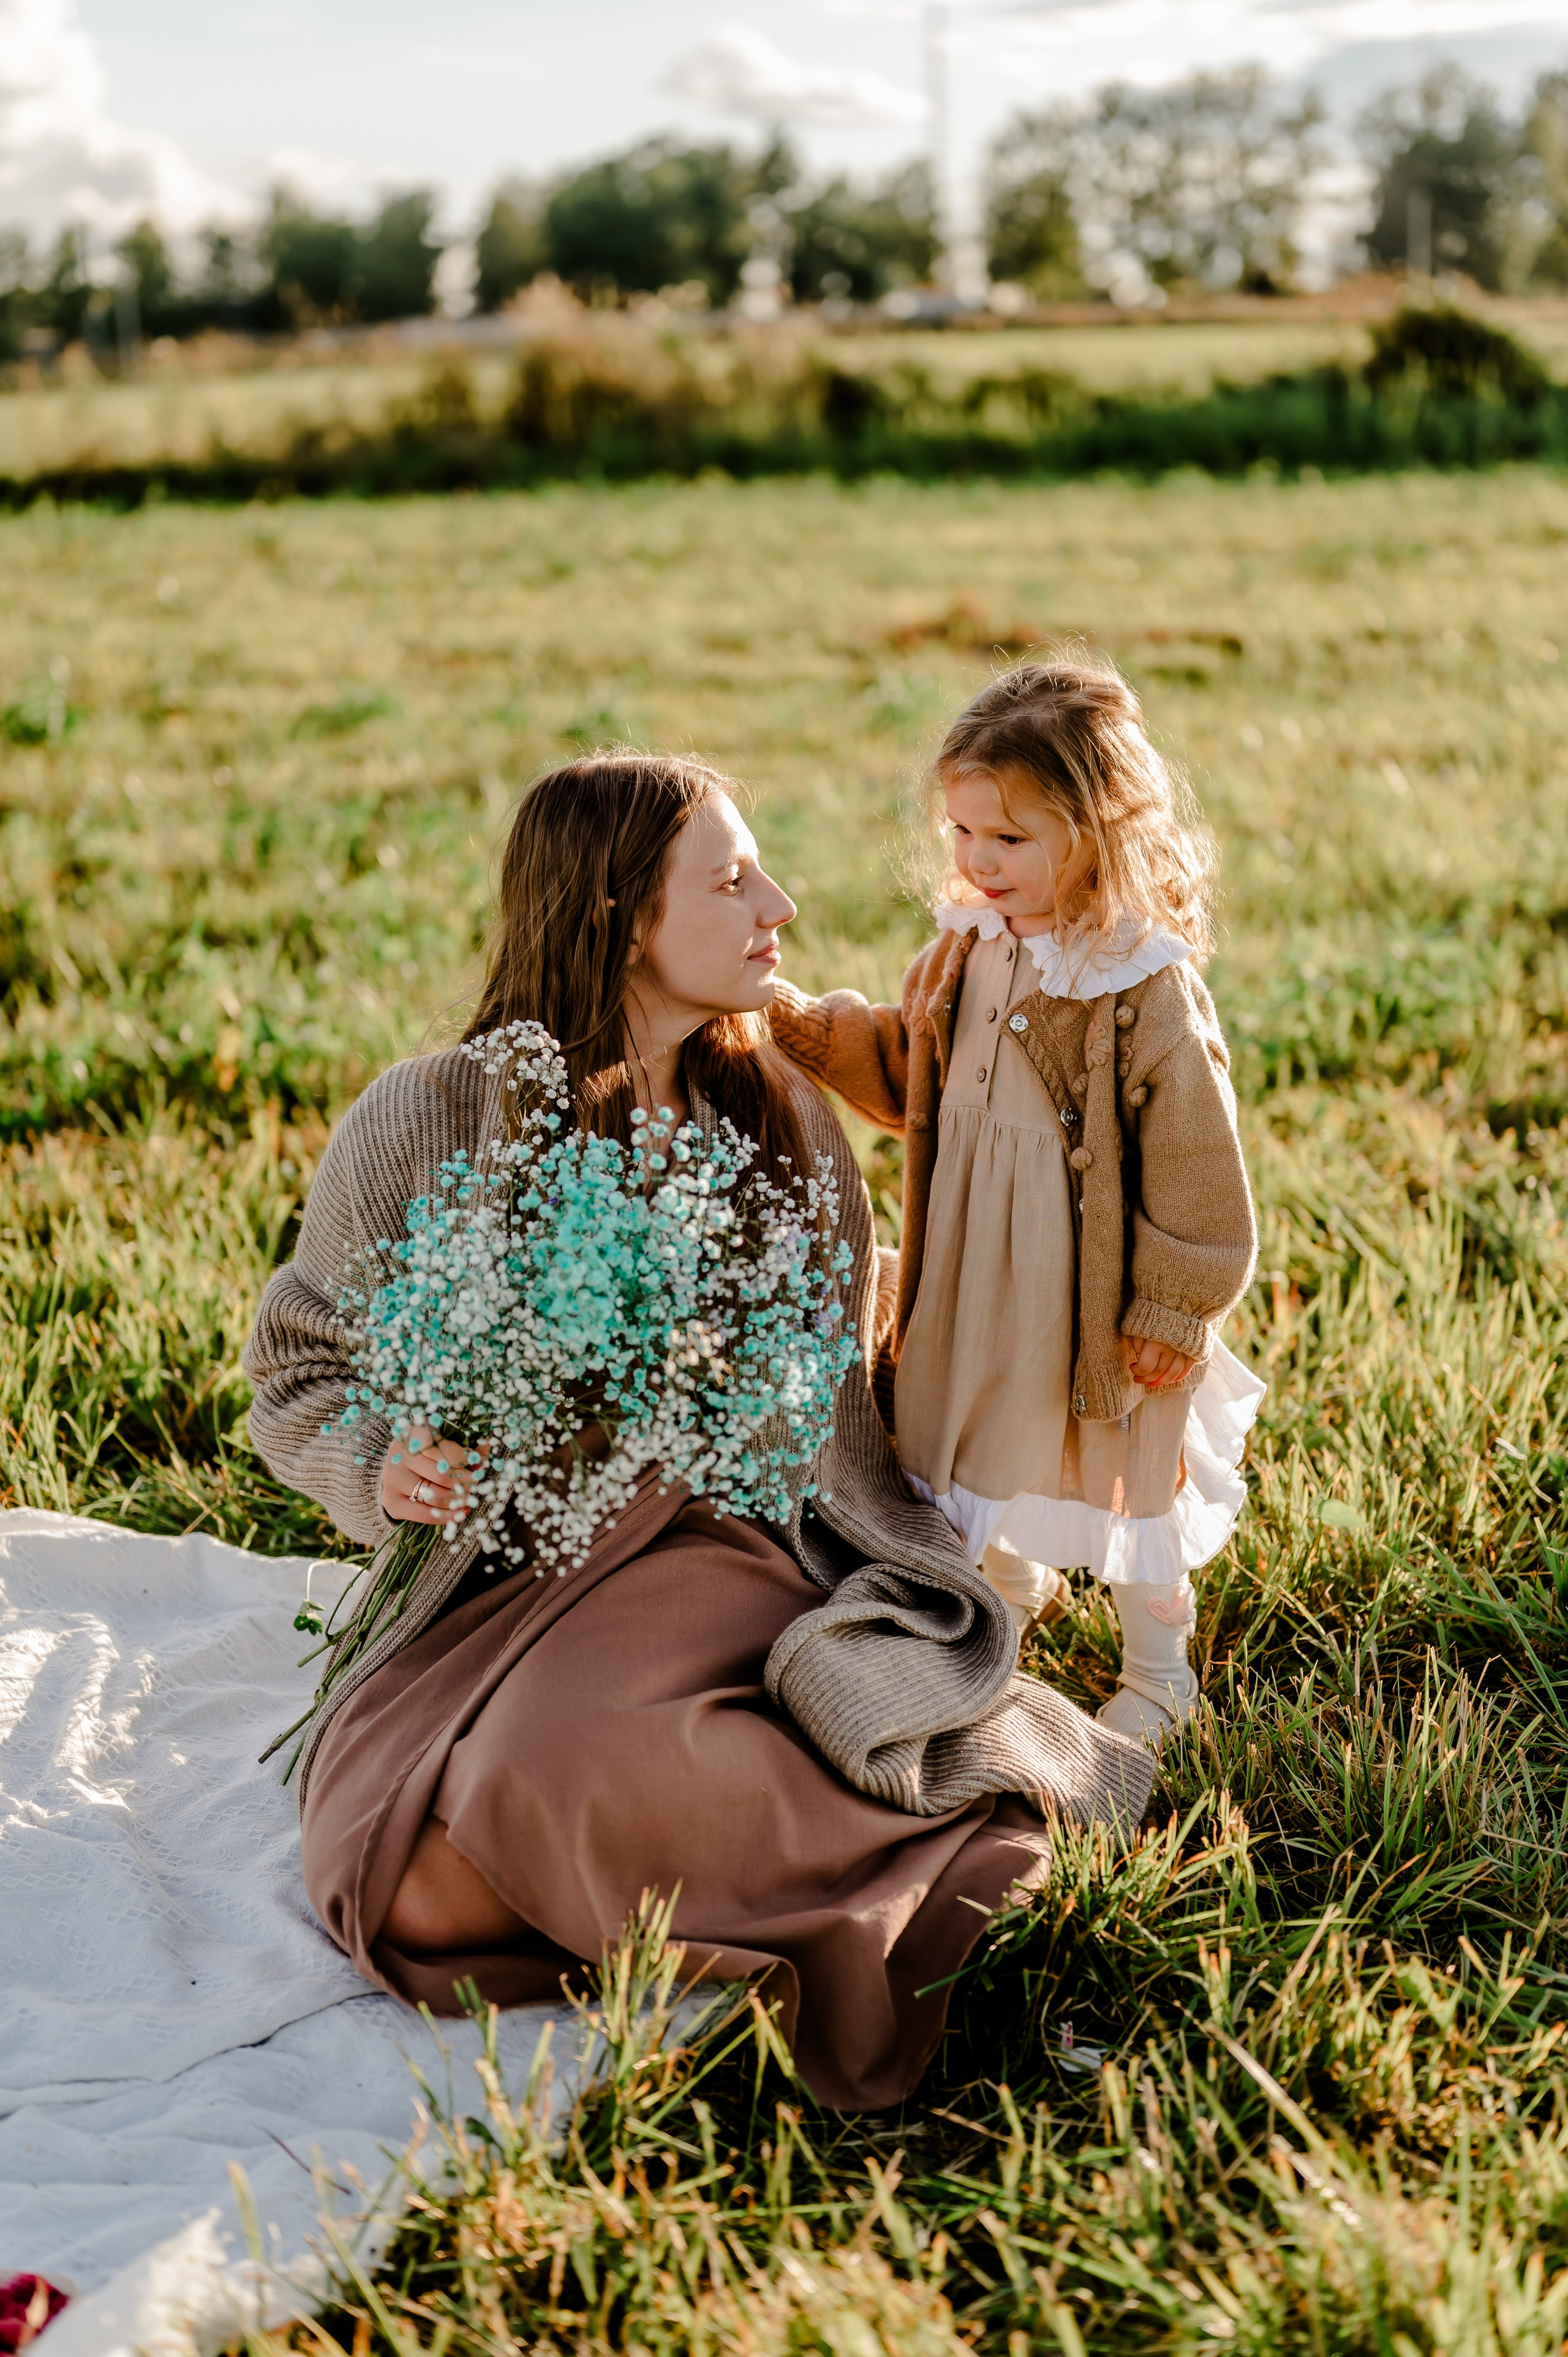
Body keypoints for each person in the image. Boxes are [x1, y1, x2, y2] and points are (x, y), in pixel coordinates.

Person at [244, 752, 1153, 2111]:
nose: (776, 904)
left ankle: (940, 1885)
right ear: (617, 916)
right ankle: (767, 1870)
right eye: (729, 881)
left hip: (737, 1548)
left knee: (530, 1781)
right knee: (410, 1899)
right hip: (507, 1572)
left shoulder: (779, 1111)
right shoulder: (432, 1114)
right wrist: (384, 1465)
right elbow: (297, 1366)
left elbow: (839, 1400)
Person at [770, 660, 1262, 1744]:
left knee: (1118, 1470)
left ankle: (1158, 1671)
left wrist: (1176, 1305)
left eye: (1010, 840)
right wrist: (821, 1035)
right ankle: (1000, 1607)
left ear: (1097, 833)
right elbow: (918, 1077)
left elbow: (1197, 1160)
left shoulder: (1137, 981)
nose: (979, 863)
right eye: (962, 834)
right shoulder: (965, 949)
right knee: (986, 1433)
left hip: (1094, 1289)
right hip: (976, 1266)